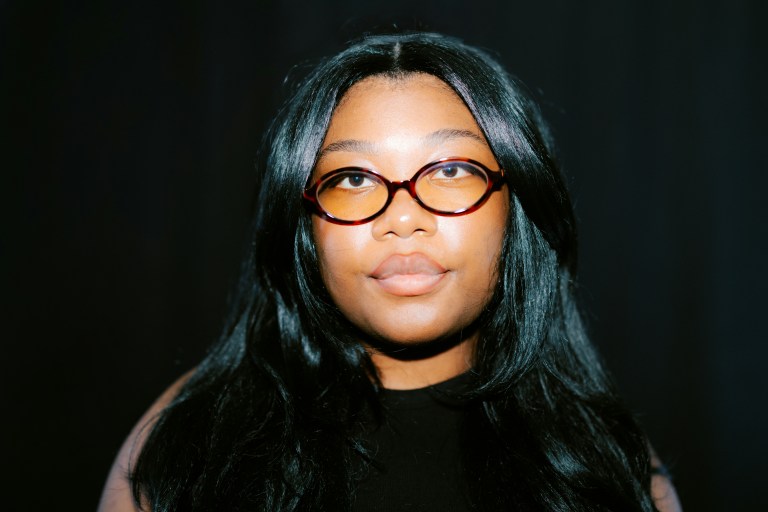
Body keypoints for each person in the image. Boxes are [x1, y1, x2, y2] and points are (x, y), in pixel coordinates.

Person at [99, 32, 682, 511]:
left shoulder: (600, 458)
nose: (403, 218)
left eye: (451, 170)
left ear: (519, 205)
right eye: (352, 178)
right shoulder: (190, 442)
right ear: (303, 226)